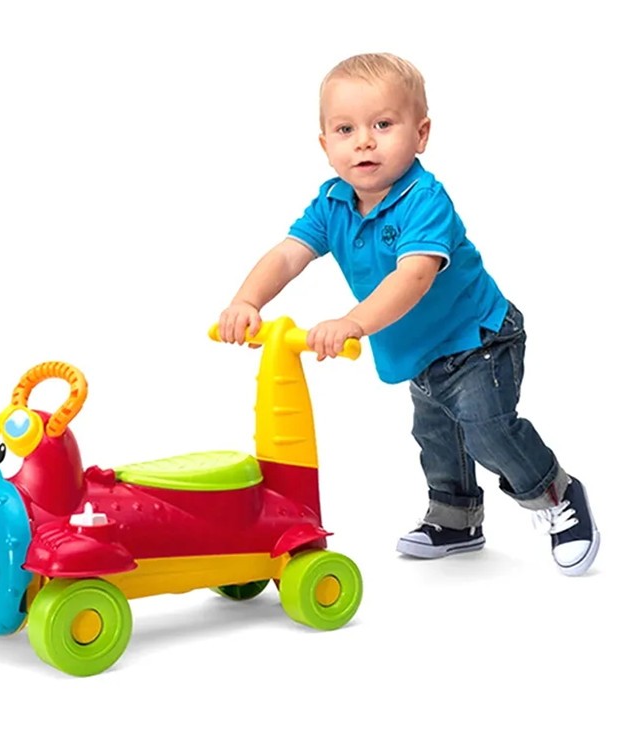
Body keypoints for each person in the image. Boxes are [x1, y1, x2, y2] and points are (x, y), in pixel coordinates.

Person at [217, 52, 599, 576]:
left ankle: (556, 491)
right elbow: (288, 255)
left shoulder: (424, 199)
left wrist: (353, 322)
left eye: (382, 125)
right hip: (420, 351)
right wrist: (247, 300)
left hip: (478, 339)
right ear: (325, 146)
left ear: (420, 135)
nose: (364, 141)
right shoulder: (332, 203)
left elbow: (413, 277)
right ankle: (456, 519)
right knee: (436, 435)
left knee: (486, 429)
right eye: (346, 129)